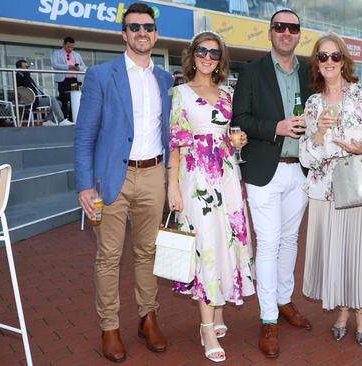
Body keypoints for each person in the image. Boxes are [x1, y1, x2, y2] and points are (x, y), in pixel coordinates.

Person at [73, 3, 171, 362]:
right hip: (111, 178)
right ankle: (110, 327)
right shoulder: (101, 75)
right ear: (124, 33)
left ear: (155, 34)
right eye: (134, 27)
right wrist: (85, 185)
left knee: (147, 253)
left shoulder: (164, 80)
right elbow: (84, 135)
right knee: (108, 257)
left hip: (153, 176)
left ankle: (148, 317)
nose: (141, 33)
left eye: (147, 27)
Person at [167, 31, 255, 363]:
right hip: (196, 180)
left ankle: (218, 314)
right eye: (202, 51)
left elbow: (233, 134)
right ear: (192, 55)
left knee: (227, 242)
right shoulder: (179, 93)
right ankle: (206, 326)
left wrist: (239, 140)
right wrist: (172, 186)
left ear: (221, 59)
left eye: (214, 53)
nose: (208, 57)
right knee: (205, 246)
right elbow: (175, 144)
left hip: (229, 177)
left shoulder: (230, 93)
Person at [232, 8, 312, 359]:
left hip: (301, 170)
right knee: (267, 244)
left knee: (289, 240)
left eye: (292, 28)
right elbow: (240, 120)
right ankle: (267, 319)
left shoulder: (310, 73)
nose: (286, 32)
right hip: (265, 169)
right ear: (270, 33)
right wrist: (274, 128)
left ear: (299, 35)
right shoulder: (251, 72)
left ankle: (283, 300)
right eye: (279, 27)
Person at [299, 33, 362, 346]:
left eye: (335, 56)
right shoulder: (312, 104)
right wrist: (318, 134)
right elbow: (306, 155)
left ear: (344, 61)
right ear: (317, 64)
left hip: (358, 187)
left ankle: (361, 312)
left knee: (357, 251)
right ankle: (343, 311)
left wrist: (361, 147)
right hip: (324, 191)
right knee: (336, 252)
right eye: (323, 57)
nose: (329, 62)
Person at [15, 59, 72, 126]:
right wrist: (27, 73)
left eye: (28, 67)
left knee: (59, 102)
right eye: (26, 67)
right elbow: (27, 85)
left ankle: (47, 121)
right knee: (52, 99)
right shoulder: (19, 77)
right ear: (20, 68)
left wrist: (43, 95)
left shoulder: (24, 76)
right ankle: (61, 120)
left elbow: (35, 88)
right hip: (33, 101)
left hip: (37, 98)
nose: (28, 68)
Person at [51, 36, 86, 121]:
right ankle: (63, 119)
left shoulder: (76, 54)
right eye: (68, 46)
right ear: (64, 44)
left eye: (72, 47)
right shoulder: (57, 53)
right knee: (64, 98)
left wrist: (79, 68)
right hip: (63, 80)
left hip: (74, 80)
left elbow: (83, 66)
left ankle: (72, 118)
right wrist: (68, 67)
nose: (70, 49)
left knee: (74, 99)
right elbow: (55, 64)